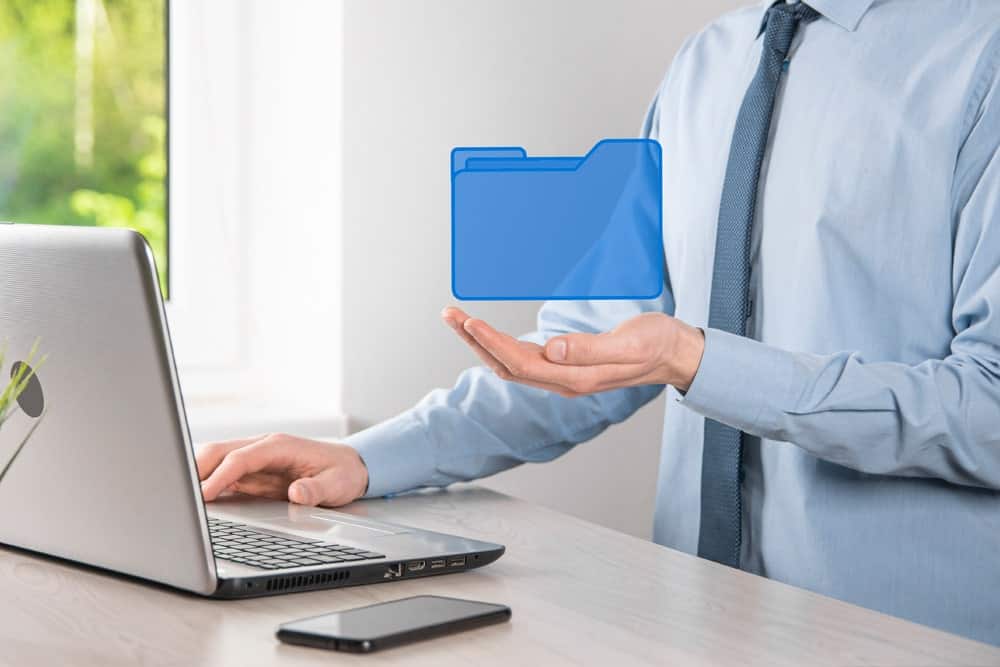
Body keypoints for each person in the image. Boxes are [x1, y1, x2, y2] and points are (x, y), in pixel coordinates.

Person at [197, 0, 1000, 646]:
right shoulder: (706, 65)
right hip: (688, 629)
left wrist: (699, 360)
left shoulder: (982, 58)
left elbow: (990, 406)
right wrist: (364, 459)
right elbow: (590, 357)